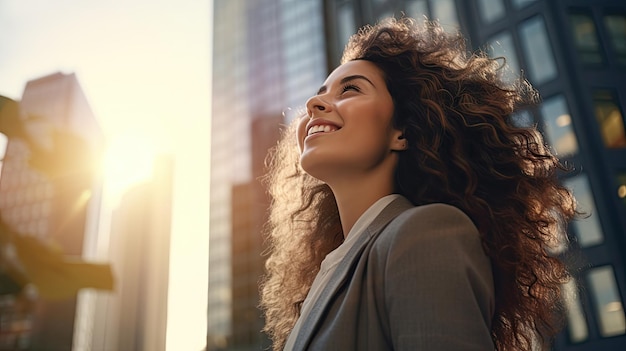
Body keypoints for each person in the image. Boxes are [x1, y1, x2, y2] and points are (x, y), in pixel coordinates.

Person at [260, 17, 577, 351]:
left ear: (403, 132)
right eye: (320, 94)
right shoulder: (324, 277)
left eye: (350, 89)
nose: (314, 104)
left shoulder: (425, 233)